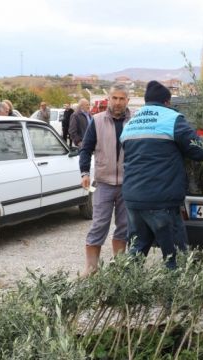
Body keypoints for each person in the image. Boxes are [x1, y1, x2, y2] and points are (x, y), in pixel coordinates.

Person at [120, 81, 203, 269]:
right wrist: (202, 139)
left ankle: (123, 293)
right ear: (167, 102)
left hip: (133, 198)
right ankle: (175, 296)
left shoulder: (131, 122)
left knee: (136, 251)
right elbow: (200, 152)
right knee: (175, 256)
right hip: (161, 199)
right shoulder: (172, 118)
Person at [79, 84, 131, 275]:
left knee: (124, 226)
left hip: (128, 184)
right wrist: (84, 172)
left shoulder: (134, 122)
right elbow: (85, 149)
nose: (117, 102)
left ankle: (120, 267)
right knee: (99, 224)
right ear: (108, 99)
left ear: (127, 100)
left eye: (121, 98)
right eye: (114, 98)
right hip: (103, 183)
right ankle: (91, 268)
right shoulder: (97, 121)